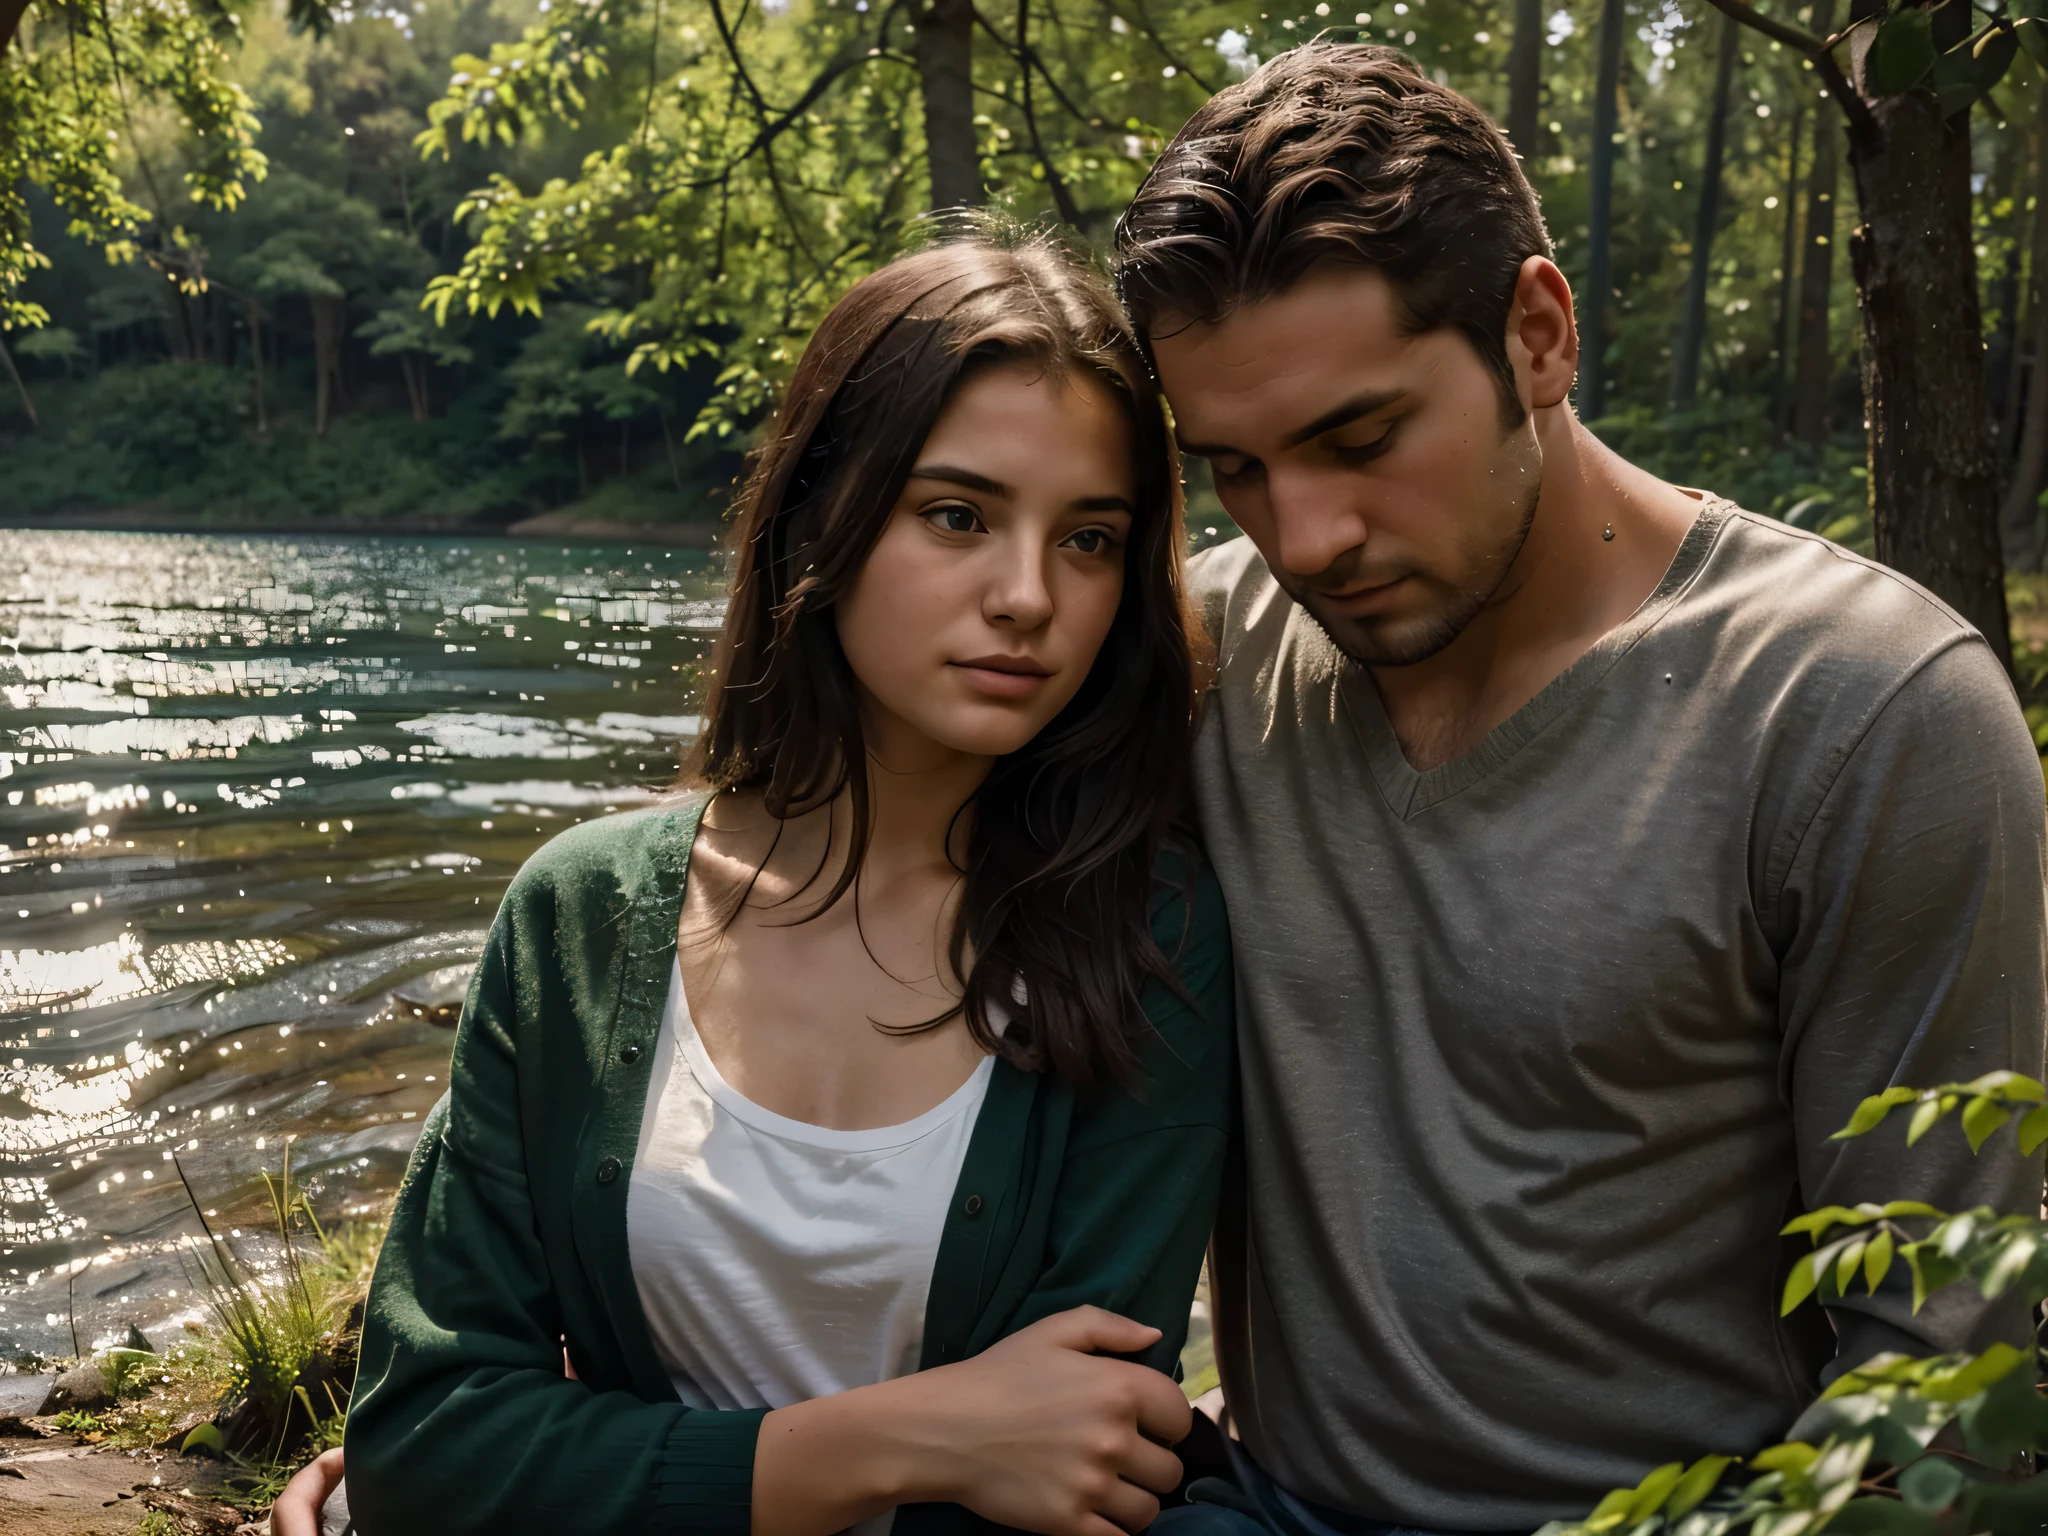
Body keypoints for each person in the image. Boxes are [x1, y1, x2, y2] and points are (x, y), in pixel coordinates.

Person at [1113, 40, 2048, 1536]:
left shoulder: (1861, 712)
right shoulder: (1207, 653)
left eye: (1361, 439)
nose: (1305, 535)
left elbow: (1934, 1374)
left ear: (1538, 334)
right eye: (1233, 468)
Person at [296, 233, 1235, 1536]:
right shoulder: (580, 915)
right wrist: (915, 1436)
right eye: (956, 515)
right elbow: (426, 1439)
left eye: (1088, 539)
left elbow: (1082, 1465)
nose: (1029, 597)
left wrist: (604, 1475)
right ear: (820, 517)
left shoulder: (1147, 936)